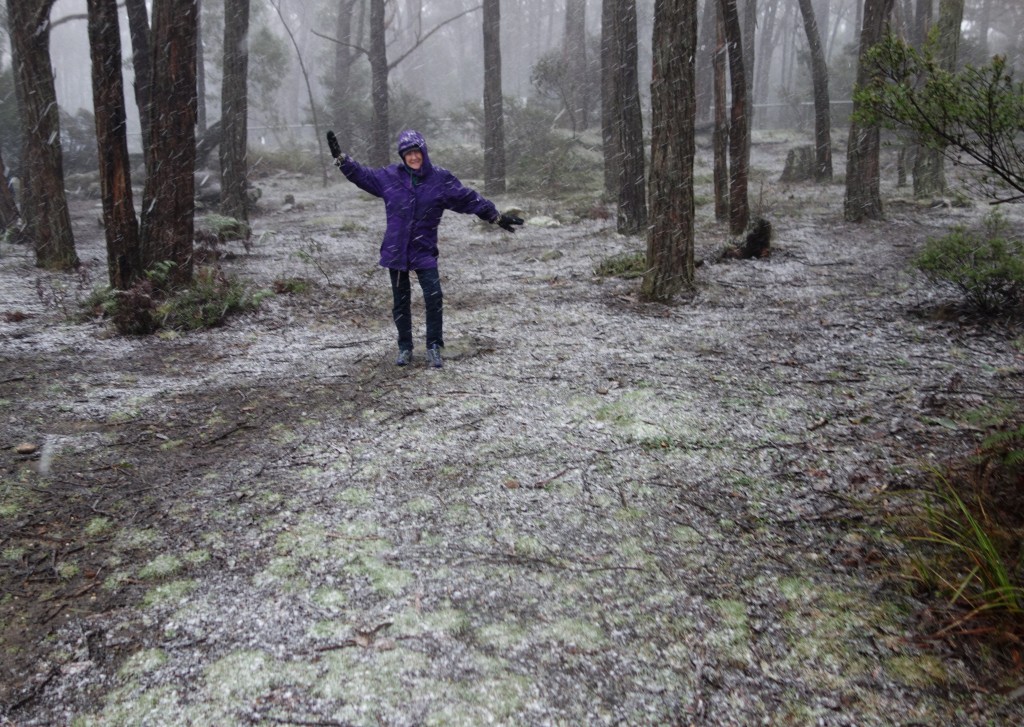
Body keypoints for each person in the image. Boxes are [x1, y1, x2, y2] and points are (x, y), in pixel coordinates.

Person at [329, 129, 522, 368]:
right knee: (401, 301)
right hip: (396, 249)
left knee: (434, 297)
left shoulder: (440, 179)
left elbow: (467, 198)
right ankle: (405, 347)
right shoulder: (391, 176)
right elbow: (364, 176)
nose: (413, 158)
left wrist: (494, 216)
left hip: (423, 249)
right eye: (408, 154)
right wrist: (342, 161)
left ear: (424, 152)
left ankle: (433, 346)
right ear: (403, 156)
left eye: (416, 152)